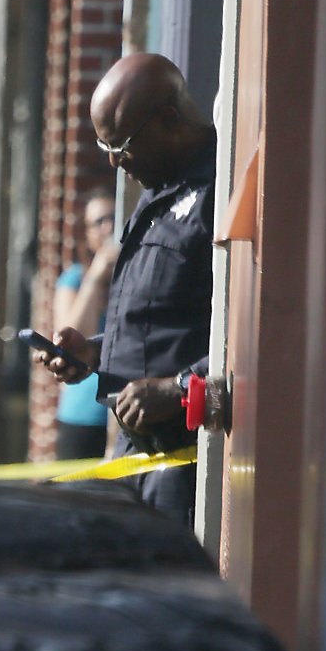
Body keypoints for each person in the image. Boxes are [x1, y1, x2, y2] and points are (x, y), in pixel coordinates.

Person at [35, 54, 214, 523]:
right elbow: (161, 319)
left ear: (169, 120)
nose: (114, 162)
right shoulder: (156, 188)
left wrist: (177, 387)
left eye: (123, 146)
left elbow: (257, 328)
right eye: (104, 147)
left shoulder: (220, 190)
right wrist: (96, 353)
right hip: (134, 451)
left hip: (187, 457)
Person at [52, 190, 117, 459]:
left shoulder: (135, 276)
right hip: (83, 415)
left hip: (122, 412)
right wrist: (96, 276)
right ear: (86, 233)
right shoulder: (75, 279)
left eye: (114, 217)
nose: (109, 228)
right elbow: (71, 338)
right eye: (99, 221)